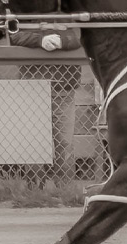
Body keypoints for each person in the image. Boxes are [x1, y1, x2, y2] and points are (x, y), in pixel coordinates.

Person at [11, 24, 82, 188]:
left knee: (65, 143)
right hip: (32, 90)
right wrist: (40, 40)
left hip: (64, 89)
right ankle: (35, 190)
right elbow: (14, 35)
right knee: (33, 143)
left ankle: (65, 191)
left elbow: (81, 35)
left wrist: (62, 40)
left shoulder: (70, 4)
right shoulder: (26, 5)